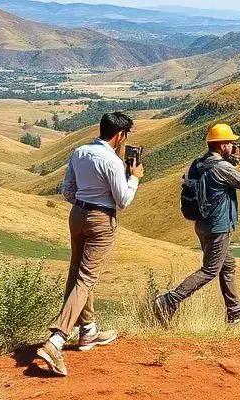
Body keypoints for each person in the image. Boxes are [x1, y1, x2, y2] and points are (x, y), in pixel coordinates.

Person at [37, 112, 143, 377]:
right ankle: (57, 339)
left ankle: (88, 331)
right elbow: (123, 201)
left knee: (78, 272)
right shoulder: (113, 161)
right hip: (100, 219)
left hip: (77, 214)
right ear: (120, 136)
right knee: (86, 278)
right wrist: (135, 177)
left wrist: (84, 202)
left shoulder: (80, 152)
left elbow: (67, 191)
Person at [152, 123, 240, 325]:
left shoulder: (198, 163)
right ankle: (169, 301)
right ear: (222, 145)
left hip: (202, 224)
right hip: (218, 227)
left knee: (227, 265)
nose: (233, 145)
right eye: (230, 142)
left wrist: (233, 159)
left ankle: (234, 310)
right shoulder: (221, 168)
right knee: (210, 270)